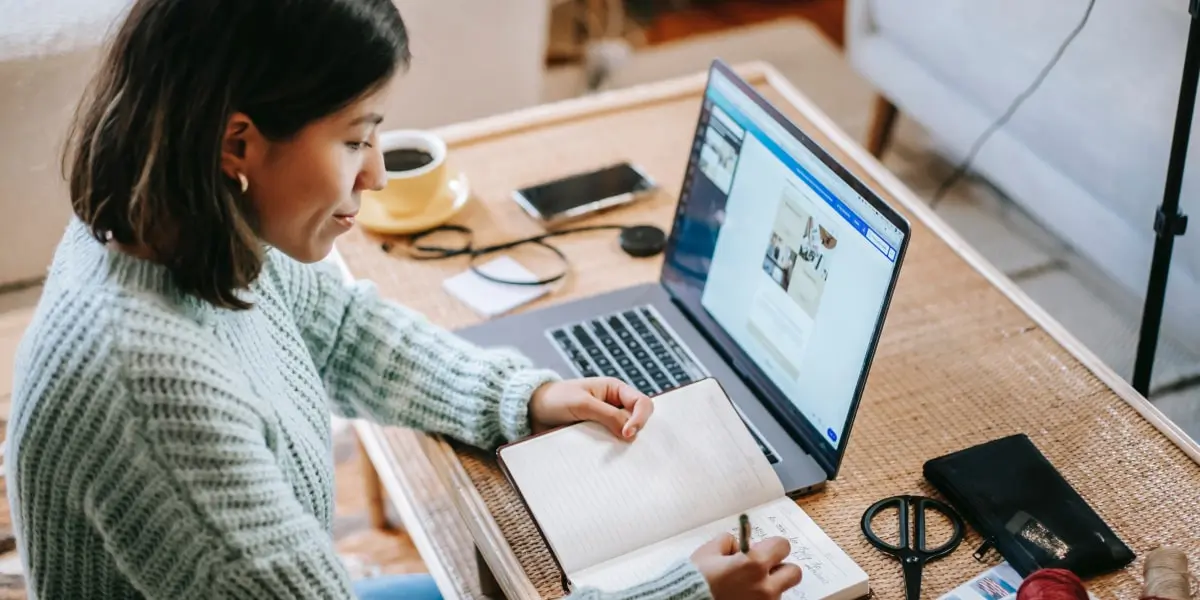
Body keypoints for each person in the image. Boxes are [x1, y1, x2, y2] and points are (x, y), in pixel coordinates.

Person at [4, 1, 805, 599]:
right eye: (355, 138)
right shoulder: (154, 389)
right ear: (237, 143)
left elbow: (346, 331)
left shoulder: (182, 219)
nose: (377, 172)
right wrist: (680, 595)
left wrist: (522, 395)